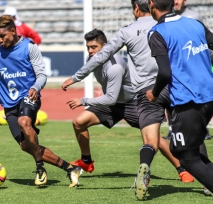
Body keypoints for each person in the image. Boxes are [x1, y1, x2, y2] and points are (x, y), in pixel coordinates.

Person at [63, 28, 193, 184]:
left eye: (94, 47)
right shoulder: (91, 59)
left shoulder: (115, 67)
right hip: (112, 102)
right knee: (79, 122)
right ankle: (86, 161)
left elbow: (110, 98)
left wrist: (83, 101)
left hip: (132, 103)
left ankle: (182, 169)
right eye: (88, 48)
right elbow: (110, 98)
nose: (90, 51)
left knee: (154, 138)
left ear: (105, 47)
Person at [0, 15, 81, 187]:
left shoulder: (29, 47)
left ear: (13, 31)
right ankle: (70, 168)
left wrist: (35, 88)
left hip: (29, 96)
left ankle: (40, 168)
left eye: (3, 36)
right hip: (8, 103)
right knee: (26, 146)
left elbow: (42, 75)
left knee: (24, 122)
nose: (0, 40)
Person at [147, 0, 213, 198]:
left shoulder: (157, 32)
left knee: (186, 157)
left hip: (187, 100)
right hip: (208, 95)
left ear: (151, 4)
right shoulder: (195, 23)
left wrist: (154, 93)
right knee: (188, 149)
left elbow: (165, 73)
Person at [163, 0, 212, 140]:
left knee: (199, 98)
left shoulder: (195, 16)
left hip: (194, 64)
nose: (176, 1)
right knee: (173, 99)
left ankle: (203, 129)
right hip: (177, 66)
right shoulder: (168, 18)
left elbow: (204, 38)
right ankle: (173, 129)